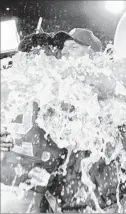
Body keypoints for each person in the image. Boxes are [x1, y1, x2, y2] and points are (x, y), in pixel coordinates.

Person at [0, 33, 68, 213]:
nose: (57, 59)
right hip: (29, 193)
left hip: (12, 187)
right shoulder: (57, 91)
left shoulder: (6, 85)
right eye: (52, 55)